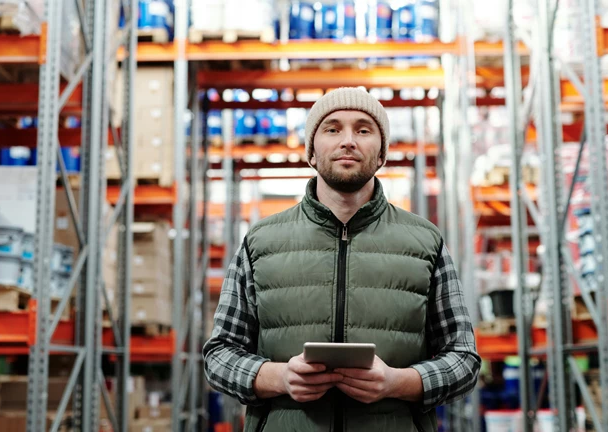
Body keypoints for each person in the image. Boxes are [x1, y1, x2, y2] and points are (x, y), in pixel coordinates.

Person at [203, 87, 481, 432]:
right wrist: (278, 377)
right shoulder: (261, 242)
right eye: (332, 129)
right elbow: (219, 355)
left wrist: (398, 382)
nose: (348, 140)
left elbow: (464, 358)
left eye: (363, 130)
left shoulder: (426, 242)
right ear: (312, 152)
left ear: (381, 155)